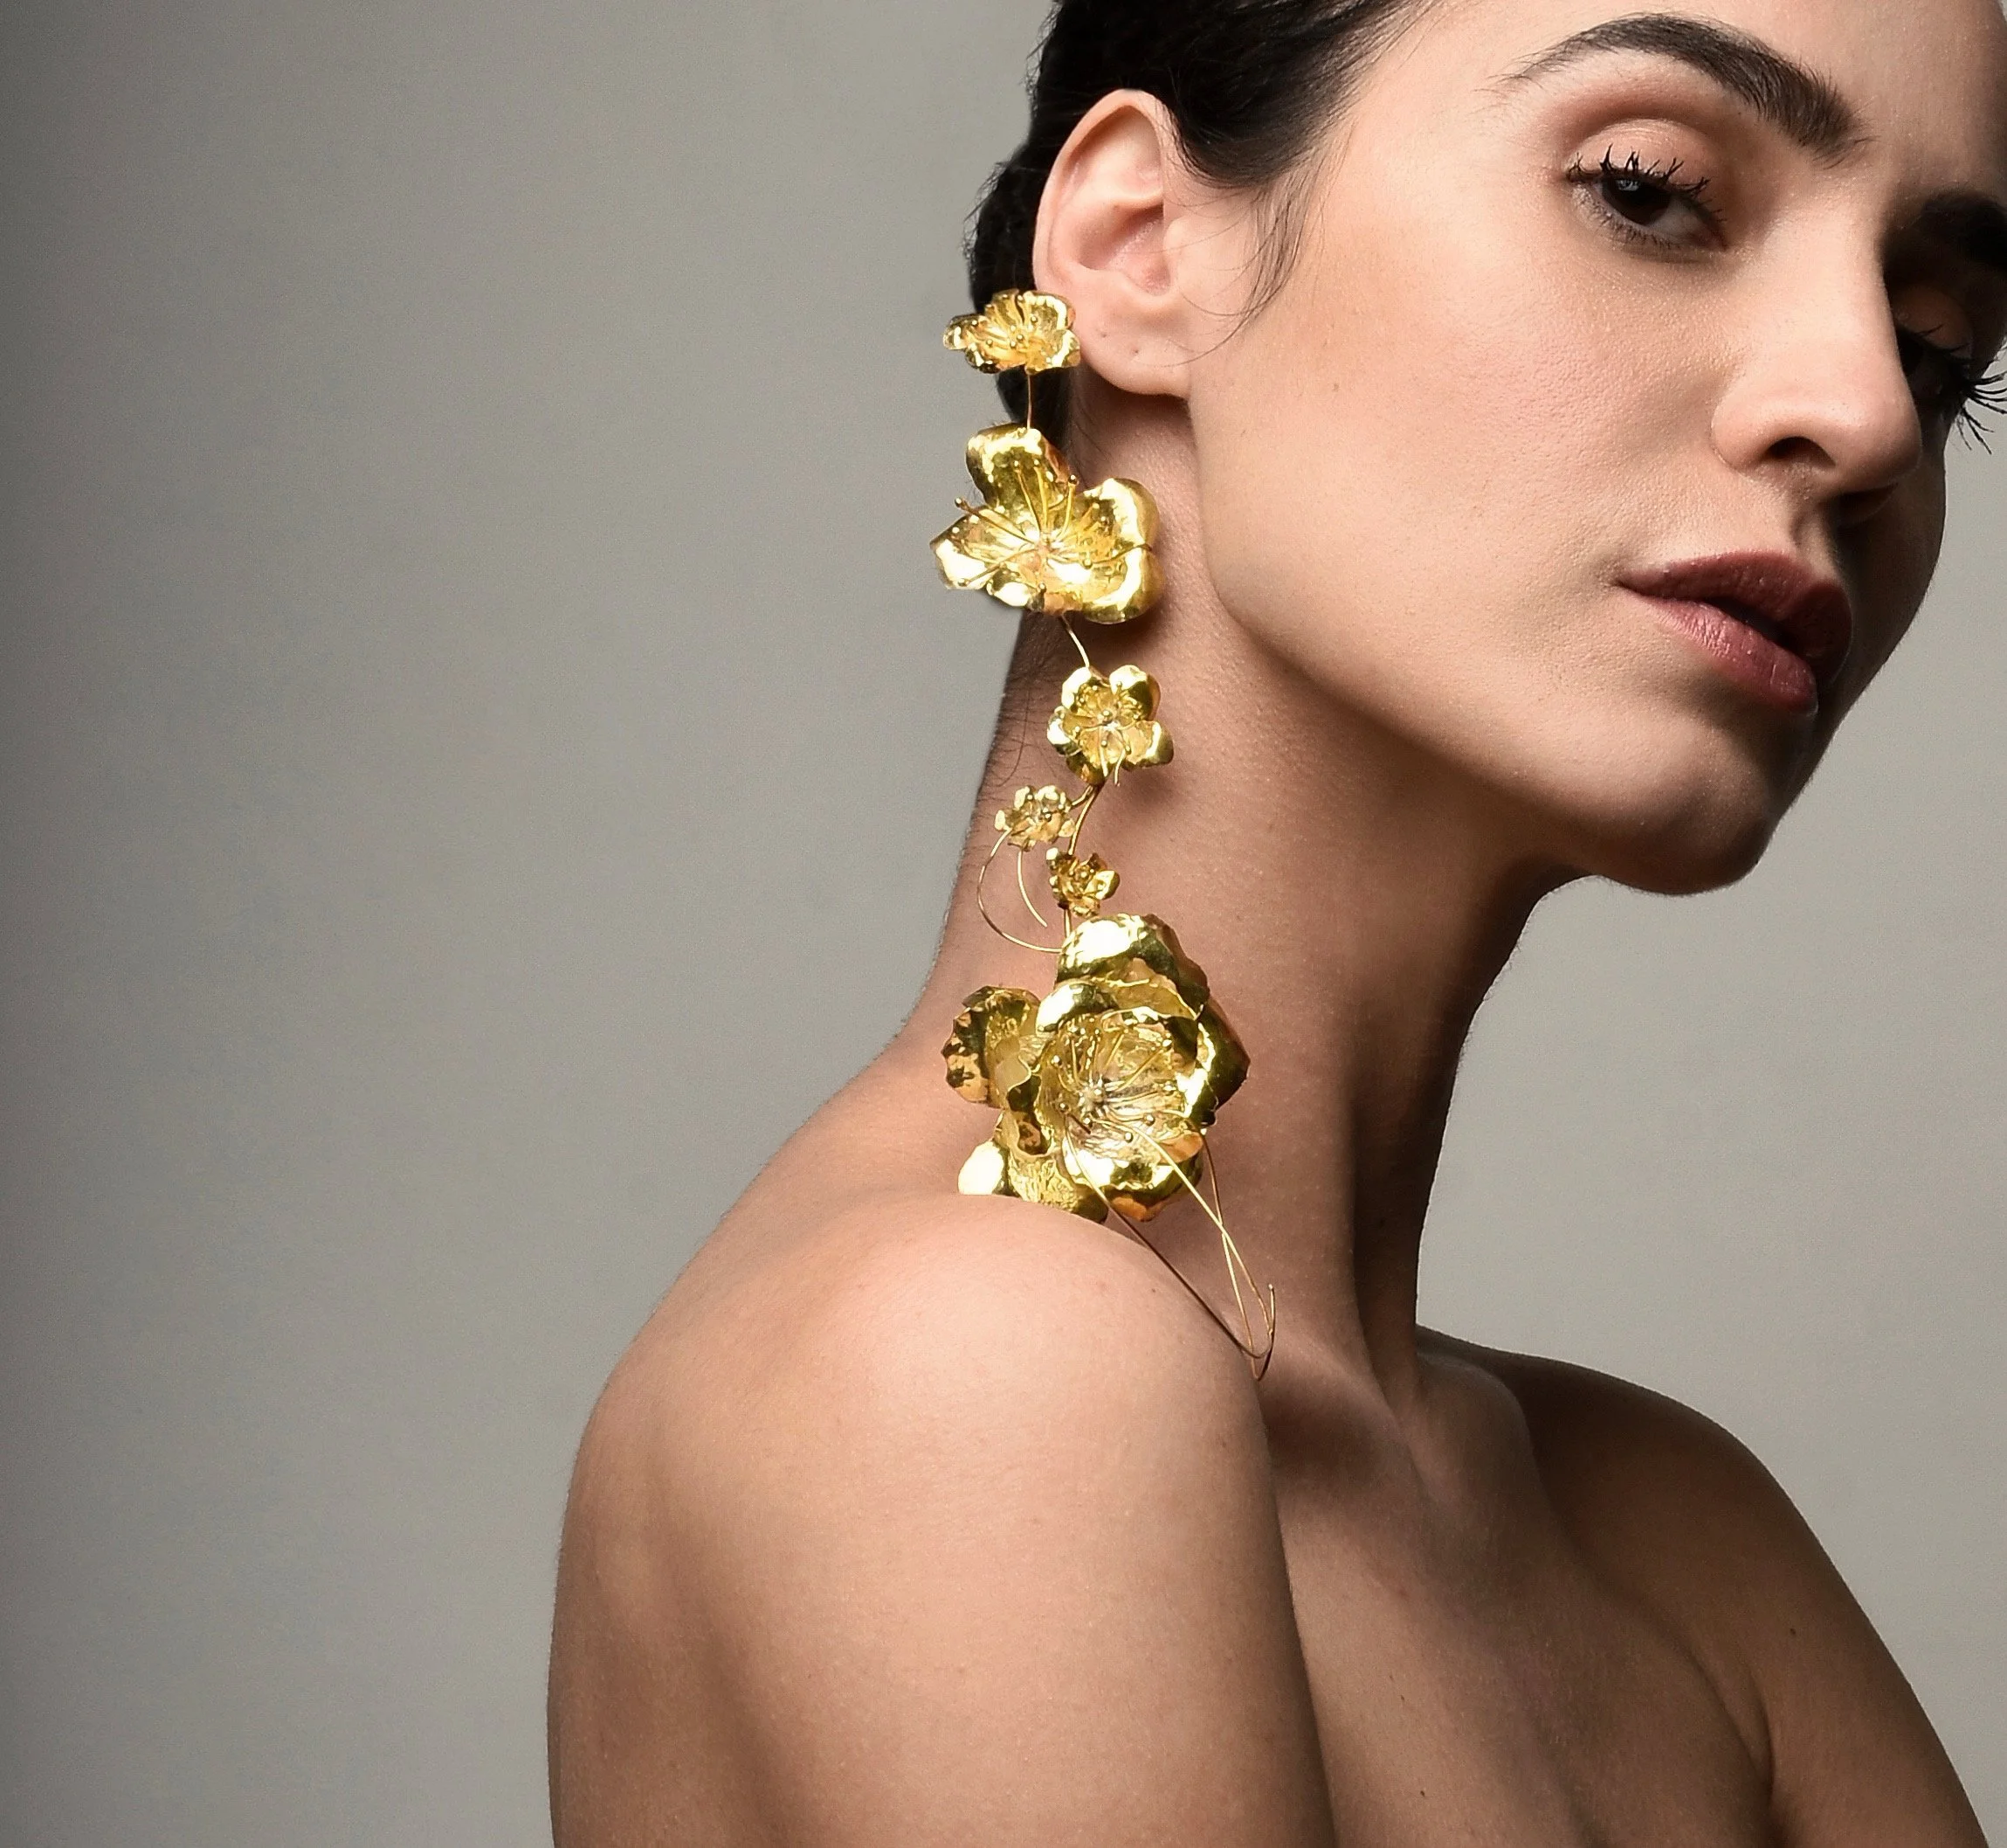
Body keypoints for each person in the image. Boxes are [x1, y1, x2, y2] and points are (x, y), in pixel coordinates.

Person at [548, 0, 2002, 1839]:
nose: (1866, 408)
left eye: (1947, 350)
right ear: (1142, 249)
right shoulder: (969, 1380)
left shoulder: (1689, 1545)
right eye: (1652, 193)